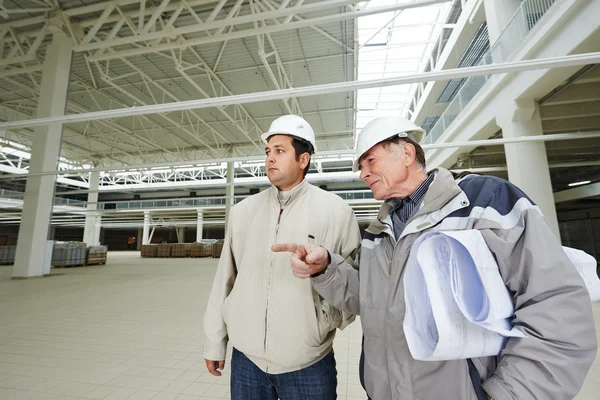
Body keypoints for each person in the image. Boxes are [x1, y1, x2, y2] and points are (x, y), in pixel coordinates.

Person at [273, 116, 597, 400]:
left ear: (407, 153)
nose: (362, 173)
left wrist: (507, 393)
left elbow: (557, 306)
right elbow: (369, 301)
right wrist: (327, 267)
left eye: (370, 160)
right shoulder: (376, 233)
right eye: (361, 165)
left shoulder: (483, 204)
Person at [203, 114, 361, 399]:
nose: (270, 159)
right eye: (267, 152)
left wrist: (323, 320)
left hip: (308, 362)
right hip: (246, 361)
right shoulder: (242, 212)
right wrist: (215, 342)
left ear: (303, 160)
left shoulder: (336, 211)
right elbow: (225, 281)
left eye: (280, 151)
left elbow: (354, 282)